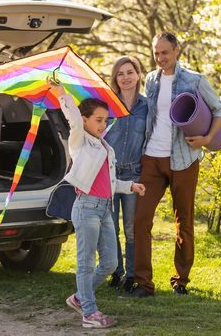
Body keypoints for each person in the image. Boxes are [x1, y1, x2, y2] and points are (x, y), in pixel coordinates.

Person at [126, 32, 221, 298]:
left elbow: (220, 109)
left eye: (165, 53)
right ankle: (143, 283)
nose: (160, 58)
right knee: (141, 219)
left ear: (177, 50)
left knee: (183, 221)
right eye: (156, 53)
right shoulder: (150, 80)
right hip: (151, 159)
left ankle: (180, 280)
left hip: (183, 160)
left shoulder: (194, 80)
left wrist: (206, 139)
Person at [52, 82, 146, 328]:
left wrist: (130, 187)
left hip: (105, 209)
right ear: (85, 120)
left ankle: (80, 297)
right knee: (85, 262)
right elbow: (72, 117)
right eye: (98, 120)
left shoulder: (104, 146)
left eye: (105, 120)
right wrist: (63, 94)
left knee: (110, 263)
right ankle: (89, 314)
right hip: (86, 208)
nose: (103, 125)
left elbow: (109, 182)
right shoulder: (80, 141)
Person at [104, 56, 148, 292]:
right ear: (115, 78)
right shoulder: (108, 104)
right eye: (120, 73)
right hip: (109, 175)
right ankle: (116, 272)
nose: (126, 77)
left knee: (131, 228)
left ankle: (131, 275)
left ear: (139, 74)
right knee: (111, 227)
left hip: (134, 174)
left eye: (130, 72)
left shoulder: (146, 106)